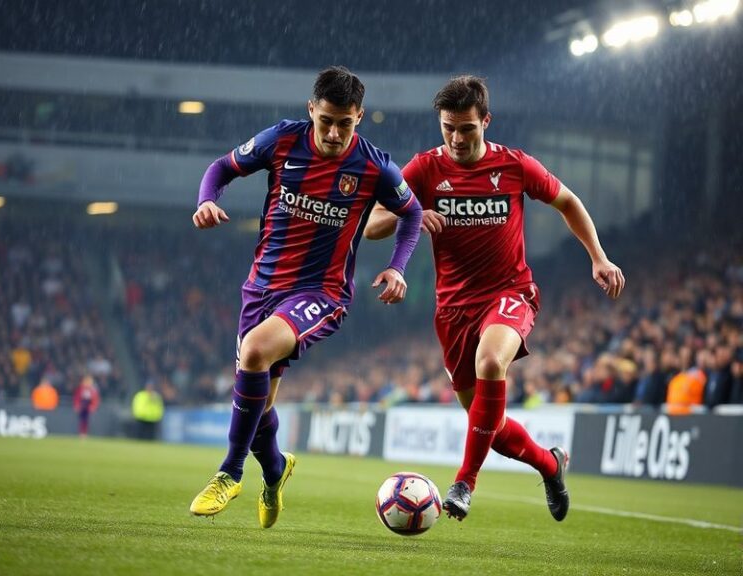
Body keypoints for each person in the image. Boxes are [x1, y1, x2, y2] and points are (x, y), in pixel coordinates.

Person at [364, 75, 625, 522]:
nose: (457, 137)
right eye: (448, 127)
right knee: (491, 426)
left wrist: (598, 258)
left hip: (510, 293)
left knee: (491, 362)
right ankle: (550, 463)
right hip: (453, 311)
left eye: (467, 128)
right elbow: (372, 222)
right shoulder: (425, 169)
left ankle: (464, 481)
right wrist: (411, 212)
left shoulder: (516, 165)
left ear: (486, 121)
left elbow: (569, 202)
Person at [189, 66, 422, 528]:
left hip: (322, 291)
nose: (335, 133)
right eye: (326, 121)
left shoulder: (374, 166)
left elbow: (411, 213)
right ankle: (275, 469)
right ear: (310, 110)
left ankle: (229, 473)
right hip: (261, 287)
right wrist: (205, 199)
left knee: (255, 351)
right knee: (260, 404)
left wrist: (397, 267)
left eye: (346, 123)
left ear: (360, 116)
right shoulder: (281, 141)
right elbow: (221, 168)